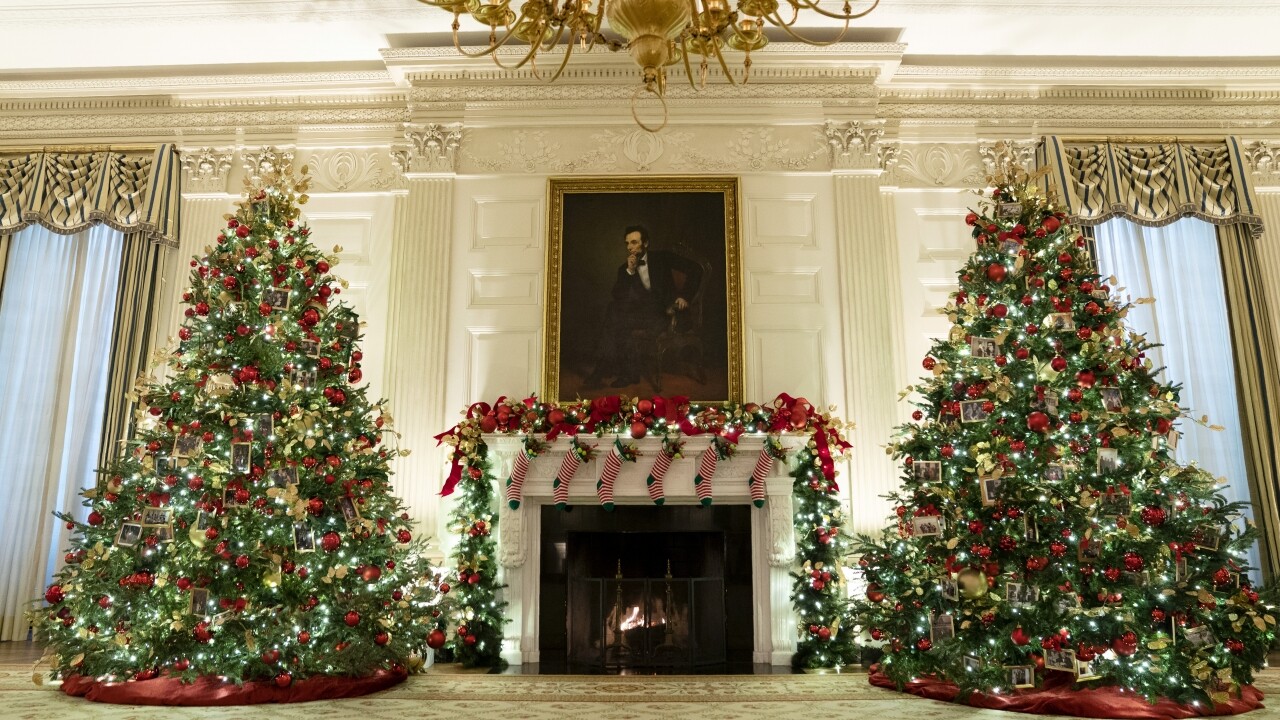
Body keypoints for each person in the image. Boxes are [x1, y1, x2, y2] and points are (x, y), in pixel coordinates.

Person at [586, 225, 704, 388]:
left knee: (616, 319)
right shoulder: (625, 268)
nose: (630, 247)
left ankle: (605, 369)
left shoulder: (663, 258)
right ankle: (624, 372)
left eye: (634, 242)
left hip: (668, 313)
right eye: (627, 243)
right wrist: (630, 271)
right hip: (645, 315)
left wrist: (684, 296)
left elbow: (696, 269)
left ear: (646, 243)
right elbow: (618, 296)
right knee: (614, 310)